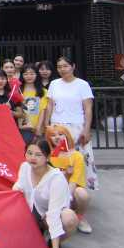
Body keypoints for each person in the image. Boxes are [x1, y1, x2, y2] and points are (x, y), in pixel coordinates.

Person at [13, 138, 78, 248]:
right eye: (29, 153)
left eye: (38, 155)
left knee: (69, 218)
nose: (32, 158)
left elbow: (54, 215)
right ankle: (36, 235)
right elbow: (18, 187)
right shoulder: (25, 167)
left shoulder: (56, 178)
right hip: (30, 213)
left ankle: (53, 243)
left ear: (47, 157)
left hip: (50, 216)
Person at [42, 56, 97, 190]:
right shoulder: (54, 84)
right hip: (57, 127)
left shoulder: (82, 84)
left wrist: (86, 129)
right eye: (59, 67)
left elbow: (88, 108)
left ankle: (79, 189)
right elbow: (49, 105)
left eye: (65, 66)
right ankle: (59, 188)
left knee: (80, 158)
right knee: (59, 159)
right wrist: (46, 125)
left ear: (73, 66)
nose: (62, 69)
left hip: (76, 126)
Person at [46, 125, 92, 234]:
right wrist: (65, 174)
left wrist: (66, 199)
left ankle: (79, 217)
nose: (57, 137)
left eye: (60, 134)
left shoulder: (76, 156)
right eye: (53, 135)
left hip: (70, 194)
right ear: (49, 138)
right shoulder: (47, 156)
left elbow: (74, 182)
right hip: (52, 193)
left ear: (67, 136)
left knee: (82, 194)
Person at [19, 63, 48, 143]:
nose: (29, 76)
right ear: (22, 75)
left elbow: (43, 111)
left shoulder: (43, 91)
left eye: (32, 74)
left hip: (38, 129)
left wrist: (38, 128)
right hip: (23, 129)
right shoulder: (18, 91)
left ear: (36, 75)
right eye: (26, 74)